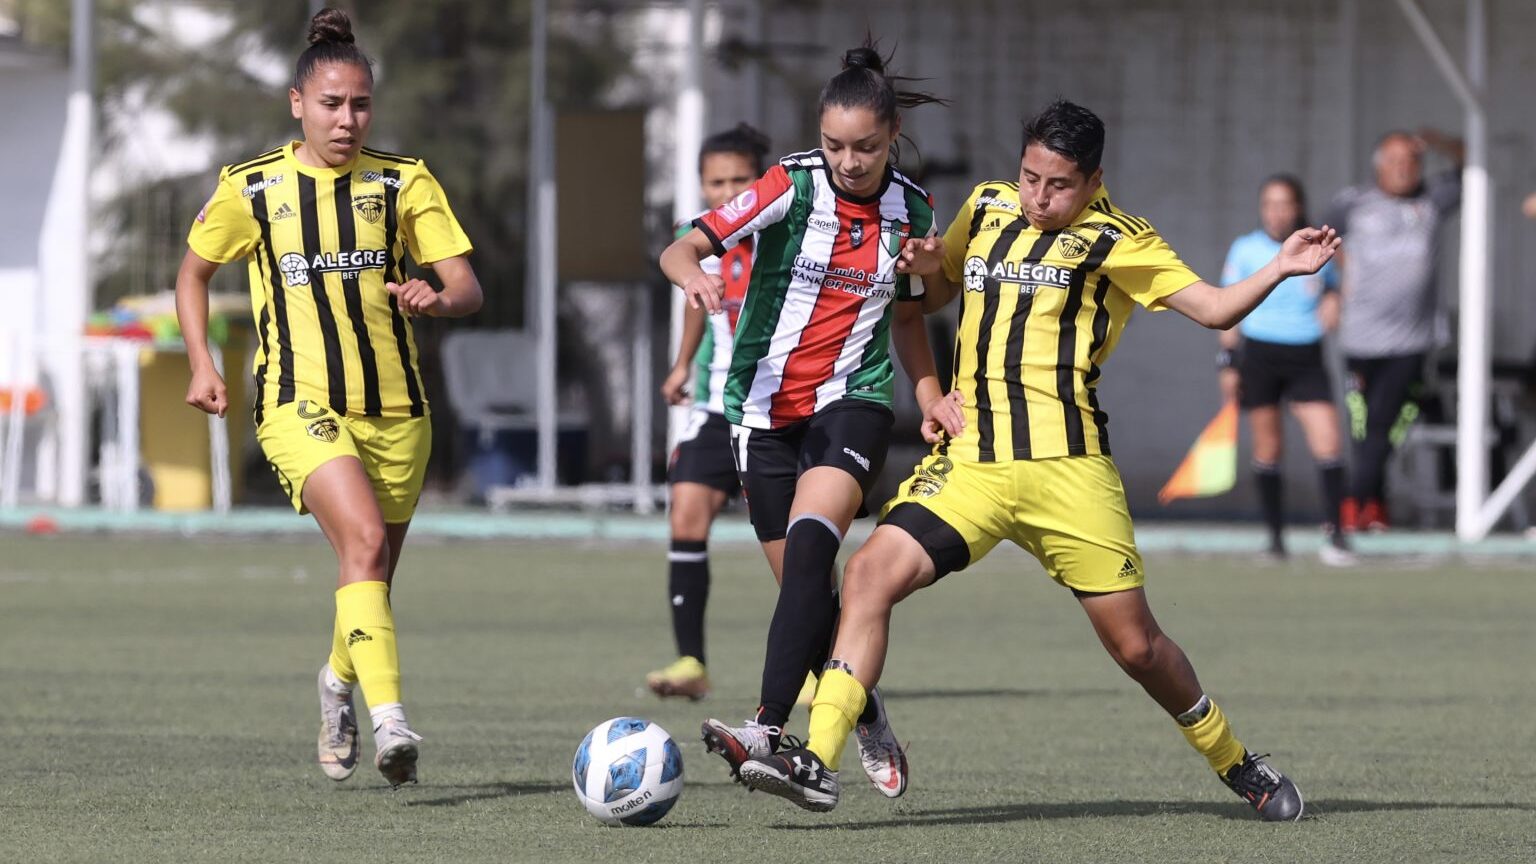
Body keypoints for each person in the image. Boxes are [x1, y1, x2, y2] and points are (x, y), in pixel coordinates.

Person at [736, 100, 1337, 822]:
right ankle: (817, 760)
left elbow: (1211, 307)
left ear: (1093, 182)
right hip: (974, 468)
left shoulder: (1120, 239)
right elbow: (923, 299)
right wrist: (928, 299)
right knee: (868, 575)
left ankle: (1237, 761)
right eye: (1029, 176)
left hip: (1069, 473)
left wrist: (1281, 267)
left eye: (1057, 184)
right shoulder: (987, 209)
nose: (1039, 196)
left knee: (1138, 648)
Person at [175, 8, 482, 788]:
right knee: (366, 550)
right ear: (297, 104)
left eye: (360, 105)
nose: (347, 120)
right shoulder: (252, 187)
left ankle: (338, 684)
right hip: (297, 402)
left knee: (368, 573)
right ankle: (392, 725)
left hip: (400, 415)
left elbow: (467, 289)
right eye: (331, 104)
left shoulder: (402, 180)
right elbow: (193, 274)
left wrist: (433, 299)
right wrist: (203, 365)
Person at [658, 42, 958, 799]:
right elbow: (683, 245)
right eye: (835, 145)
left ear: (892, 136)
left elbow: (914, 319)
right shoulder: (790, 184)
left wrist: (928, 396)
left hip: (851, 400)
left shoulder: (913, 210)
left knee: (814, 541)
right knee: (807, 591)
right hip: (758, 410)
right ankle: (863, 705)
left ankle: (766, 725)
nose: (849, 161)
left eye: (865, 146)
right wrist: (692, 269)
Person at [646, 124, 772, 700]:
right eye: (715, 182)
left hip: (779, 408)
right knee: (686, 511)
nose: (727, 193)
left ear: (762, 181)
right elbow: (698, 300)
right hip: (717, 406)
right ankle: (690, 661)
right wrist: (681, 364)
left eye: (739, 180)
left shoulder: (789, 232)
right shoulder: (695, 237)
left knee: (796, 541)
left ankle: (827, 667)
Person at [1327, 129, 1463, 531]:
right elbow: (1316, 240)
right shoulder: (1353, 203)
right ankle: (1374, 504)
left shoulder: (1432, 201)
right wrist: (1333, 286)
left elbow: (1472, 161)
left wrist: (1436, 141)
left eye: (1411, 161)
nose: (1404, 169)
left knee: (1386, 425)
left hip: (1411, 342)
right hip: (1359, 339)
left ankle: (1351, 503)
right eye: (1395, 161)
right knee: (1362, 428)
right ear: (1379, 166)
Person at [1218, 175, 1353, 565]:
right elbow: (1227, 308)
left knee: (1328, 442)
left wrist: (1333, 299)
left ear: (1298, 207)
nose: (1276, 212)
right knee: (1268, 448)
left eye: (1284, 204)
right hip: (1260, 354)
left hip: (1305, 354)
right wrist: (1227, 363)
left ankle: (1336, 538)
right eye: (1269, 204)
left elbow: (1335, 283)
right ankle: (1275, 541)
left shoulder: (1312, 245)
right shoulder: (1245, 249)